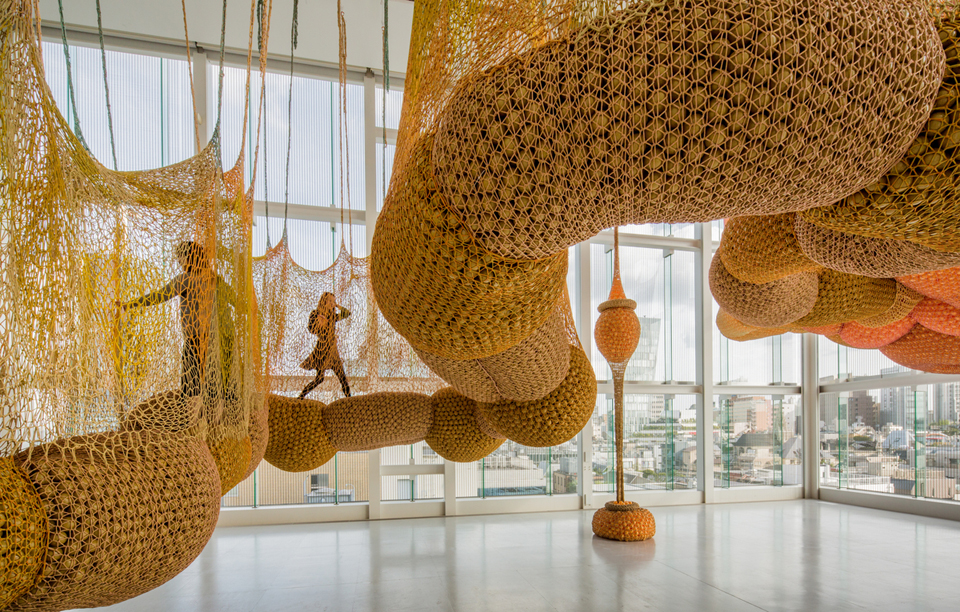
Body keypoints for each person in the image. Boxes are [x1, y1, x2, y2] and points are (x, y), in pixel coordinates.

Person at [118, 241, 236, 397]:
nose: (180, 262)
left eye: (181, 258)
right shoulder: (216, 279)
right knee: (217, 389)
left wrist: (130, 304)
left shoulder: (185, 280)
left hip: (198, 341)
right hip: (221, 341)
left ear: (189, 258)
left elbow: (158, 296)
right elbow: (237, 302)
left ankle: (198, 419)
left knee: (192, 390)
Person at [299, 292, 351, 399]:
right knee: (320, 379)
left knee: (342, 377)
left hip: (332, 348)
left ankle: (349, 399)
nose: (332, 303)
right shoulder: (315, 313)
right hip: (322, 348)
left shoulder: (332, 316)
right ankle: (301, 396)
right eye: (330, 301)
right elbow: (311, 329)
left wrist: (337, 306)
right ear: (324, 301)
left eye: (334, 301)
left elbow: (347, 313)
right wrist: (319, 324)